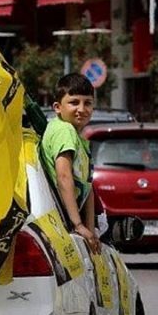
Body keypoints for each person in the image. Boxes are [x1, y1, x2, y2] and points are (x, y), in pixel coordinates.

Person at [41, 73, 100, 253]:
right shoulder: (64, 131)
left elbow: (87, 188)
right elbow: (64, 176)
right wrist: (78, 225)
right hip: (63, 225)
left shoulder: (77, 137)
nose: (81, 109)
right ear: (58, 107)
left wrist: (90, 231)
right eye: (74, 102)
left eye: (87, 103)